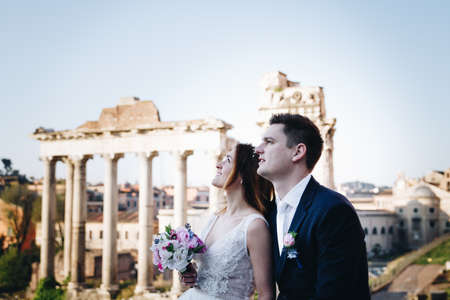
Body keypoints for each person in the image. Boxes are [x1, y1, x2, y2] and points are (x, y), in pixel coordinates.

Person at [255, 113, 371, 300]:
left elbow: (337, 293)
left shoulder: (333, 210)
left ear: (298, 152)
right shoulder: (269, 213)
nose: (258, 149)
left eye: (269, 142)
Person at [179, 143, 275, 300]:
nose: (218, 164)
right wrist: (190, 274)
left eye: (228, 160)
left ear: (243, 175)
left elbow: (266, 295)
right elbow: (208, 272)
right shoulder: (215, 217)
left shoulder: (254, 226)